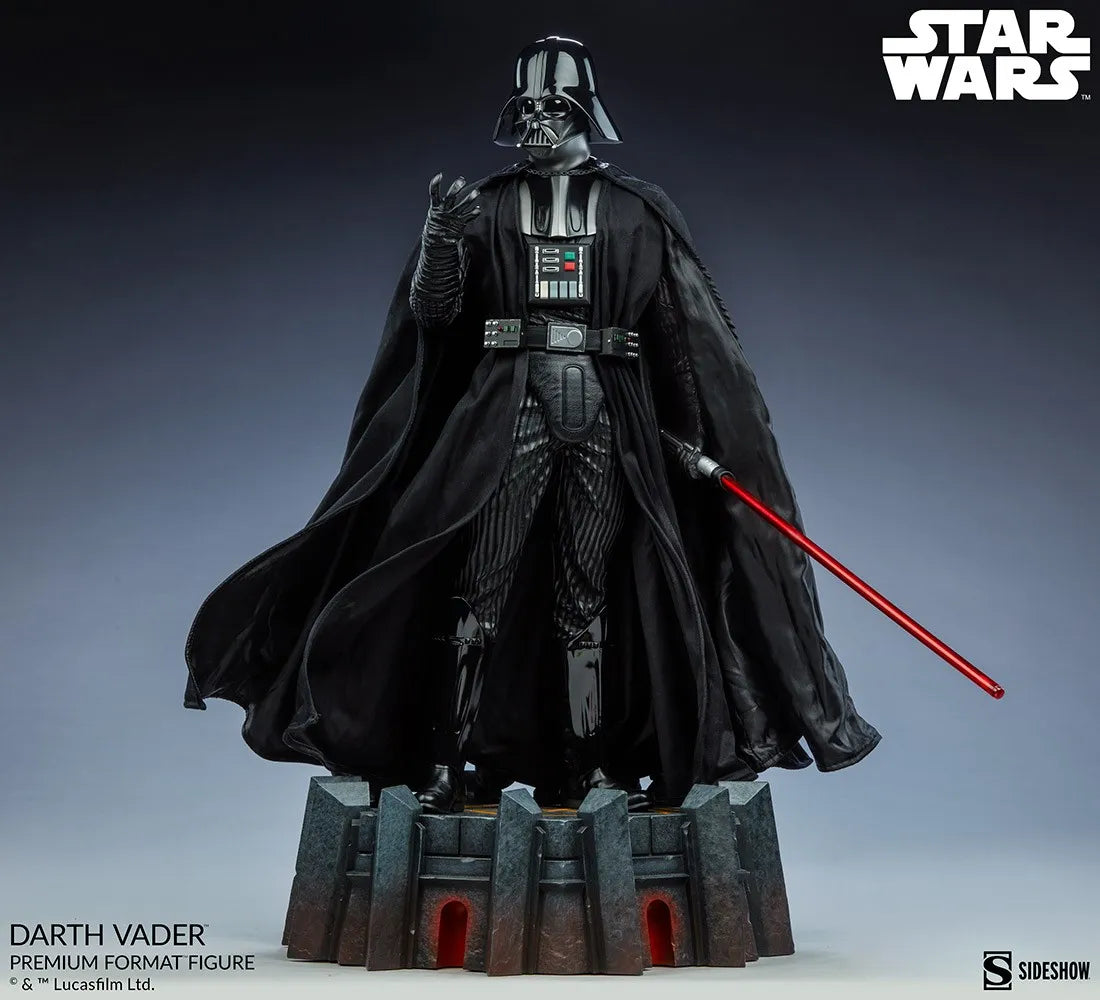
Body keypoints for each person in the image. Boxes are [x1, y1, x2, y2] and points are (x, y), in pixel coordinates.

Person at [184, 36, 881, 814]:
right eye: (526, 110)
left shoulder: (636, 211)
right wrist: (439, 243)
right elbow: (435, 320)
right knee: (479, 586)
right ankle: (445, 761)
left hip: (608, 418)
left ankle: (587, 766)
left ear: (585, 112)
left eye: (553, 108)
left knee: (589, 595)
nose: (536, 123)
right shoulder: (483, 207)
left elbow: (682, 344)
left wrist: (693, 437)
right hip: (503, 411)